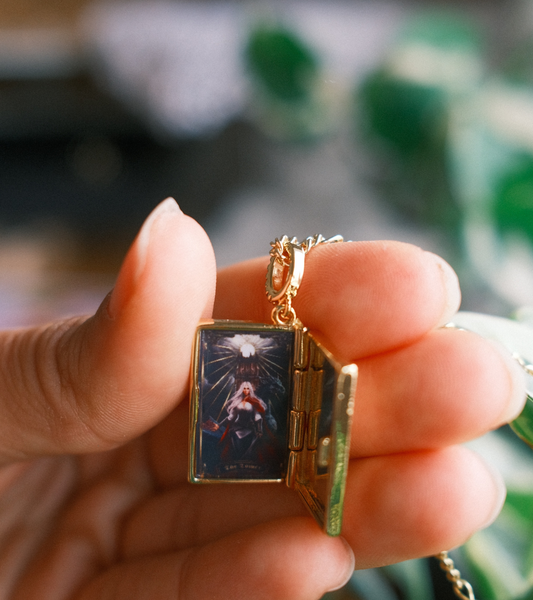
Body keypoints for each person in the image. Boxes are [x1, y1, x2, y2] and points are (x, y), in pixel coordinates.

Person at [0, 197, 525, 599]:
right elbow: (230, 416)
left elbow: (249, 411)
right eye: (246, 378)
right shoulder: (232, 384)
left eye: (251, 380)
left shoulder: (263, 385)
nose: (247, 383)